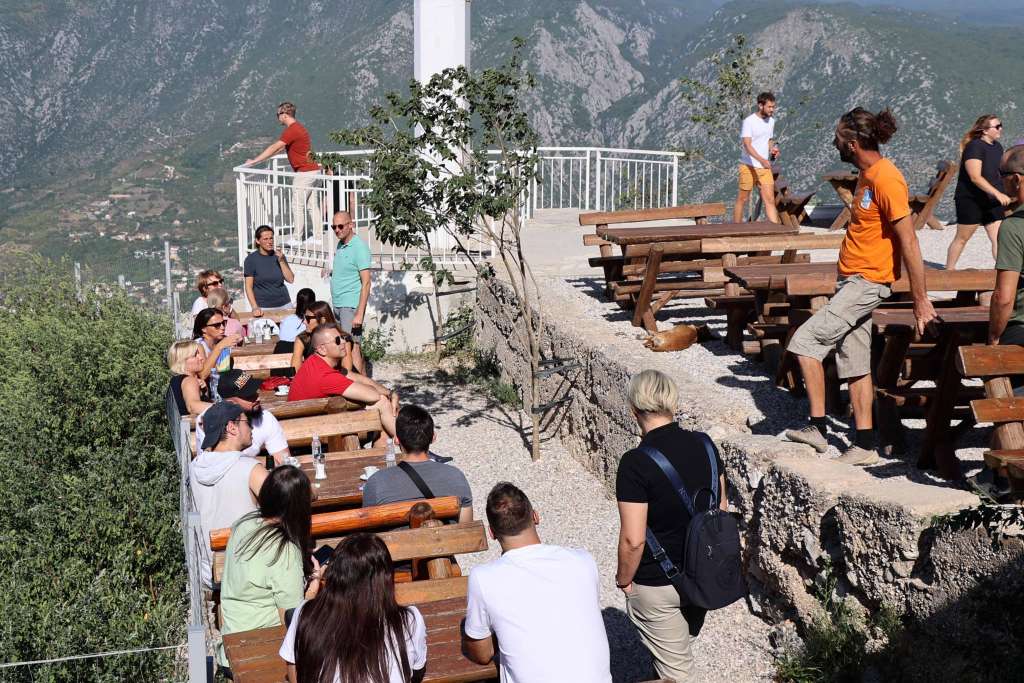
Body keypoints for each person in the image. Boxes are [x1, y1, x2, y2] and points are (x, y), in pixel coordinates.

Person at [784, 107, 936, 465]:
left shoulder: (887, 179)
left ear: (852, 143)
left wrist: (920, 299)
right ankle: (864, 445)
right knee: (854, 363)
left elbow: (909, 241)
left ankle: (817, 427)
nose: (834, 143)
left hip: (867, 282)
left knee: (805, 343)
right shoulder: (868, 174)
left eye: (838, 138)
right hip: (854, 281)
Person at [615, 370, 727, 682]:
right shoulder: (706, 445)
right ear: (673, 404)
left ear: (633, 409)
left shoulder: (635, 463)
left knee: (678, 675)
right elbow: (721, 508)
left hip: (658, 582)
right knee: (675, 652)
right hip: (703, 573)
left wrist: (624, 580)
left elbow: (633, 540)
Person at [462, 482, 612, 682]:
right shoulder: (583, 560)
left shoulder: (483, 578)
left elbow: (482, 654)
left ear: (492, 533)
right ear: (535, 516)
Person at [280, 533, 426, 683]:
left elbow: (293, 673)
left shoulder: (304, 615)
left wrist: (313, 585)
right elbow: (417, 671)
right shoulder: (410, 621)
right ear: (386, 578)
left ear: (334, 574)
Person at [219, 466, 319, 672]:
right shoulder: (284, 551)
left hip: (232, 641)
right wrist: (314, 588)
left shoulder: (244, 524)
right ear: (299, 508)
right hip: (261, 649)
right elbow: (292, 622)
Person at [189, 401, 269, 586]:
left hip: (208, 571)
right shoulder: (250, 469)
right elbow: (289, 499)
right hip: (245, 571)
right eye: (247, 422)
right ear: (232, 427)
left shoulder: (194, 468)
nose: (252, 427)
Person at [362, 405, 473, 523]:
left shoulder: (376, 482)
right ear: (433, 437)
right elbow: (467, 527)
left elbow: (369, 528)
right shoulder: (456, 476)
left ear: (396, 440)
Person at [288, 324, 398, 439]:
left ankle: (394, 443)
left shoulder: (316, 361)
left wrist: (390, 393)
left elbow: (356, 377)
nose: (343, 342)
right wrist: (380, 393)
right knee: (381, 402)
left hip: (311, 423)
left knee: (382, 409)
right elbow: (373, 396)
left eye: (342, 337)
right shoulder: (326, 376)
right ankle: (406, 443)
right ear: (322, 349)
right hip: (308, 434)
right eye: (337, 340)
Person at [245, 101, 323, 239]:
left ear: (285, 114)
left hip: (305, 173)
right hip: (313, 171)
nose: (277, 118)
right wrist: (260, 160)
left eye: (278, 115)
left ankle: (297, 238)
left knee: (297, 205)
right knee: (312, 205)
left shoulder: (292, 130)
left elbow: (274, 147)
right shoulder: (299, 128)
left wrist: (254, 161)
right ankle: (318, 237)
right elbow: (279, 149)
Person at [947, 114, 1013, 269]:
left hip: (991, 201)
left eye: (1001, 125)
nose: (1000, 129)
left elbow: (997, 174)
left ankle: (1002, 272)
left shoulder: (997, 147)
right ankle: (948, 271)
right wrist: (997, 194)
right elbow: (975, 177)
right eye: (997, 126)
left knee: (998, 239)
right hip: (971, 200)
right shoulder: (974, 147)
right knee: (962, 238)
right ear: (984, 130)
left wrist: (1006, 192)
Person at [195, 369, 292, 466]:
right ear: (230, 402)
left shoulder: (265, 417)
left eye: (255, 392)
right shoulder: (209, 421)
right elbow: (216, 463)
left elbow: (284, 461)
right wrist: (265, 462)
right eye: (249, 396)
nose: (258, 398)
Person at [324, 211, 372, 374]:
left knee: (353, 347)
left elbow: (366, 282)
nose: (337, 230)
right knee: (344, 346)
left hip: (350, 306)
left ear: (351, 225)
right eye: (334, 227)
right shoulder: (341, 244)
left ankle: (364, 385)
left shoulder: (359, 248)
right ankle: (352, 381)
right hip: (338, 304)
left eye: (340, 226)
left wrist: (359, 313)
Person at [987, 145, 1024, 347]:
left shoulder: (1014, 227)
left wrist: (994, 337)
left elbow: (1003, 298)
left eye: (1002, 174)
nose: (1000, 180)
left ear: (1017, 179)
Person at [733, 92, 780, 224]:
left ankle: (775, 231)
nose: (772, 109)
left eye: (773, 107)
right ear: (760, 105)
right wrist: (762, 160)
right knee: (743, 199)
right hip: (748, 166)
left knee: (769, 200)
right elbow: (747, 145)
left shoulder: (771, 121)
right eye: (769, 107)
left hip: (764, 167)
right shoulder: (749, 122)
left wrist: (773, 149)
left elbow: (769, 139)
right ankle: (735, 229)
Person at [244, 225, 294, 318]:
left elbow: (290, 279)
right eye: (265, 239)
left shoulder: (279, 256)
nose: (269, 242)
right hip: (264, 308)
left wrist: (282, 261)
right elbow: (248, 286)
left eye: (271, 238)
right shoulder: (251, 260)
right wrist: (254, 307)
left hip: (285, 304)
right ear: (258, 241)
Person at [193, 307, 241, 400]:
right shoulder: (198, 346)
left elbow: (226, 371)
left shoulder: (222, 342)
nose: (222, 328)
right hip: (210, 398)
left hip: (225, 392)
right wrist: (220, 347)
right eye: (217, 325)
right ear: (204, 329)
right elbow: (203, 375)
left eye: (223, 323)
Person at [166, 339, 211, 416]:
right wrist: (224, 407)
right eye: (195, 355)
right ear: (182, 360)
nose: (201, 358)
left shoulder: (176, 380)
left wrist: (204, 392)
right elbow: (192, 407)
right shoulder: (189, 380)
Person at [290, 301, 337, 372]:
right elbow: (295, 370)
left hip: (336, 376)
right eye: (304, 318)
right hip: (313, 376)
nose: (304, 322)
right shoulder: (303, 338)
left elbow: (346, 370)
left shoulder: (341, 339)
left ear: (322, 320)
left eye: (308, 318)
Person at [276, 287, 316, 355]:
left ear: (297, 302)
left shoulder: (287, 319)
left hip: (281, 351)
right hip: (298, 352)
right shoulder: (312, 322)